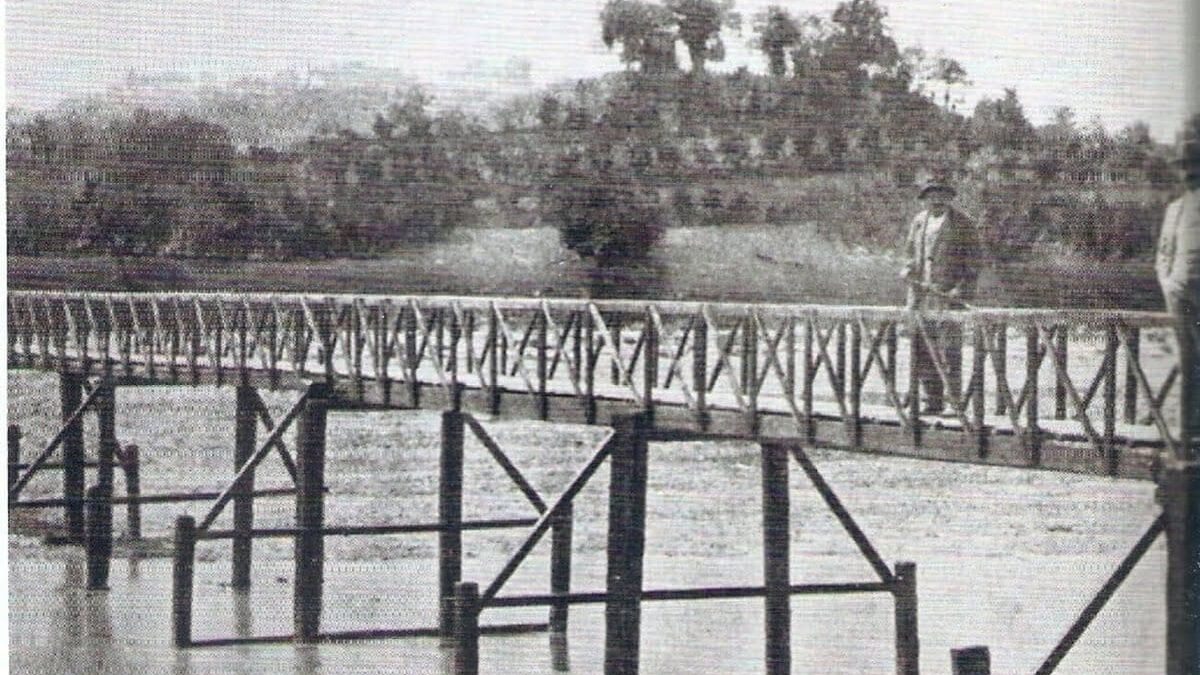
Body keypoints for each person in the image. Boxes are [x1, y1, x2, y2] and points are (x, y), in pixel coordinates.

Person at [900, 176, 981, 414]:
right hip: (921, 295)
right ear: (924, 200)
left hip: (948, 296)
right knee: (922, 348)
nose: (936, 200)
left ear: (949, 198)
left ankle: (953, 402)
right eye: (931, 196)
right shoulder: (918, 222)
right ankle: (931, 400)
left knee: (949, 350)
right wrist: (907, 269)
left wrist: (961, 289)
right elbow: (909, 253)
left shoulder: (963, 224)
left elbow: (974, 262)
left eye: (941, 196)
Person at [1156, 115, 1200, 455]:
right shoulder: (1174, 209)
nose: (1187, 173)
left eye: (1193, 165)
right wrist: (1168, 283)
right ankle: (1187, 437)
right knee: (1188, 366)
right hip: (1180, 294)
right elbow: (1163, 253)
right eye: (1184, 167)